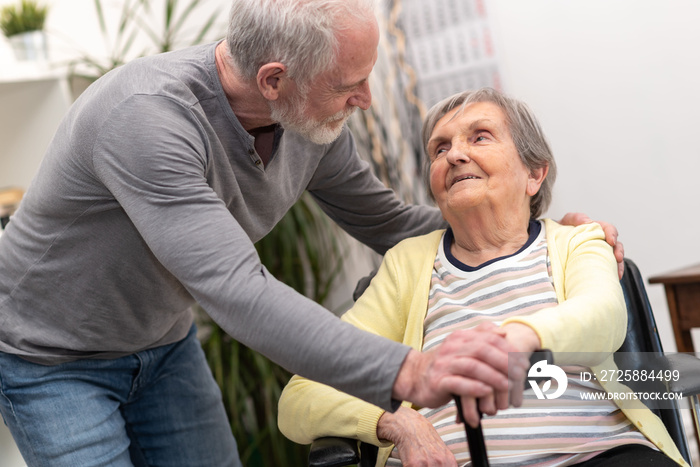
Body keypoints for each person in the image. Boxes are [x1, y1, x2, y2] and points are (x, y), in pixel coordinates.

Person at [0, 1, 620, 466]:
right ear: (275, 81)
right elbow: (238, 289)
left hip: (162, 343)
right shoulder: (143, 119)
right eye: (349, 84)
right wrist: (408, 379)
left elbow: (387, 221)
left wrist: (528, 226)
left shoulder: (309, 118)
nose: (367, 100)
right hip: (50, 356)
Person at [278, 88, 686, 467]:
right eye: (440, 148)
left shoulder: (577, 241)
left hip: (599, 455)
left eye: (480, 137)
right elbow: (302, 395)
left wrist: (517, 339)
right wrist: (397, 420)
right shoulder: (407, 264)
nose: (455, 155)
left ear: (534, 174)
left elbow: (604, 317)